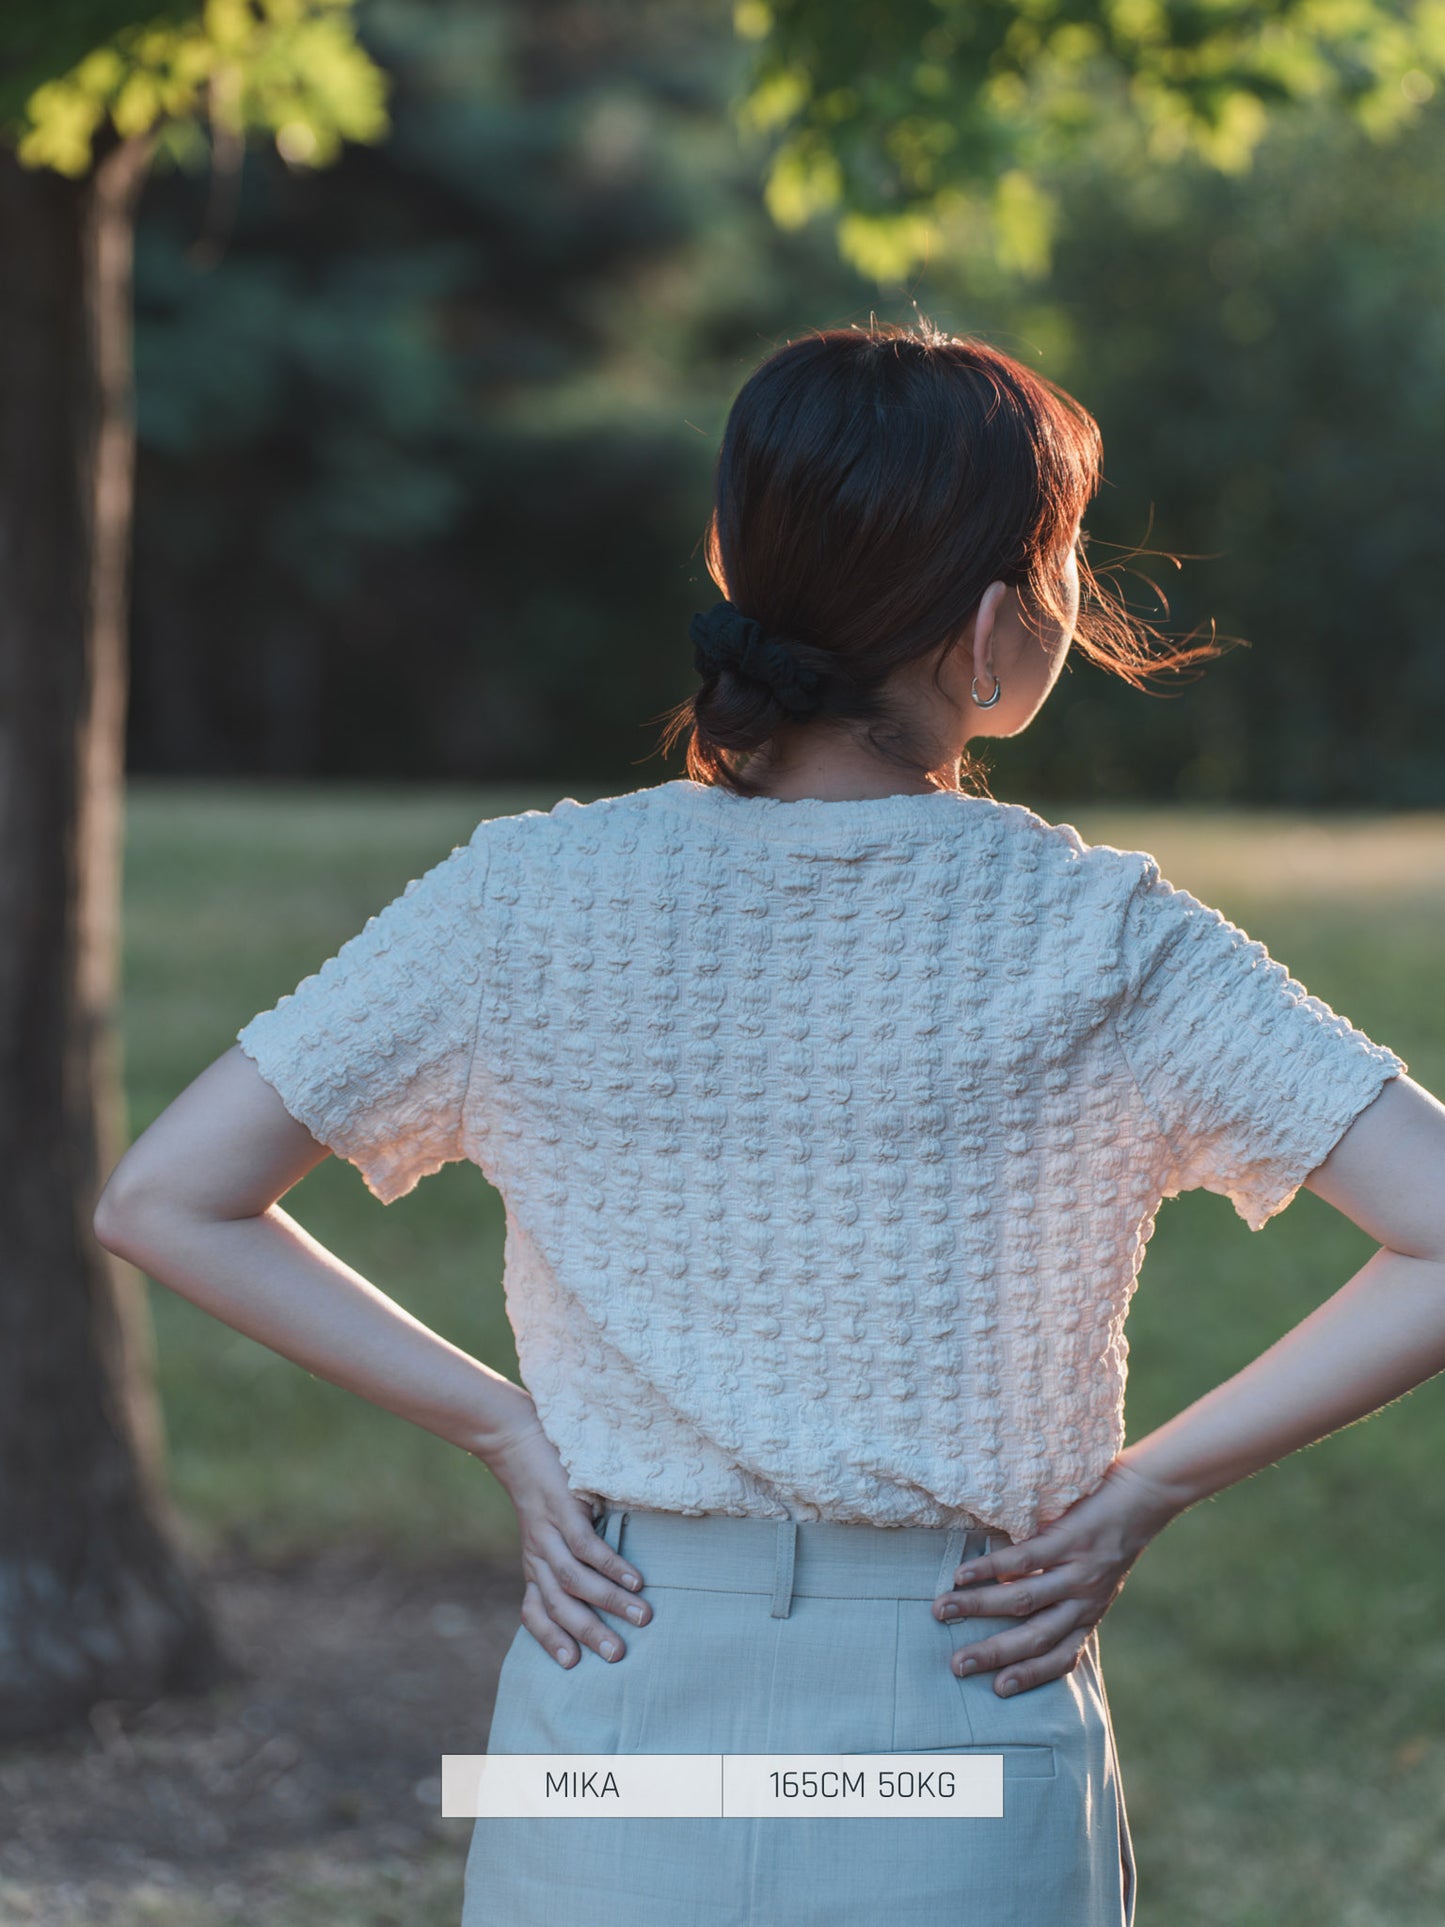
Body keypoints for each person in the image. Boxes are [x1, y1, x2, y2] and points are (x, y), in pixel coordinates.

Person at [93, 319, 1445, 1927]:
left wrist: (500, 1428)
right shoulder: (1104, 937)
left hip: (609, 1679)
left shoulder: (523, 899)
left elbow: (165, 1198)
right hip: (958, 1690)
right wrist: (1143, 1490)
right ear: (994, 632)